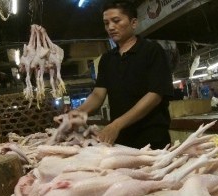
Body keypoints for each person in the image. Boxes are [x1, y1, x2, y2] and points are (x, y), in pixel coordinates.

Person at [71, 0, 173, 149]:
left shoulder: (152, 51)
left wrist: (116, 124)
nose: (111, 27)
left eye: (116, 21)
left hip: (152, 138)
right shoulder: (107, 59)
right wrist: (78, 112)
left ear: (133, 23)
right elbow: (98, 94)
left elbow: (155, 95)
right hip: (121, 139)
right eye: (106, 23)